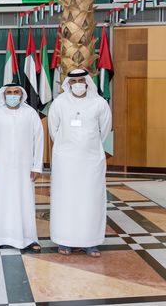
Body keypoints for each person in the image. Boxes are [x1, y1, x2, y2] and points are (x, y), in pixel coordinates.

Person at [48, 68, 112, 257]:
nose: (77, 85)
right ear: (68, 83)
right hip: (65, 162)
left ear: (87, 82)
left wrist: (88, 145)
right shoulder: (59, 103)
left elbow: (105, 129)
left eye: (81, 80)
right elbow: (54, 130)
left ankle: (90, 242)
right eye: (73, 81)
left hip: (91, 162)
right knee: (66, 200)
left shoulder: (99, 103)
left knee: (90, 200)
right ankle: (64, 241)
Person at [0, 84, 43, 251]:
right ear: (3, 95)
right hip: (0, 167)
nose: (12, 95)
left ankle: (28, 238)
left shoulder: (30, 113)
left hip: (25, 168)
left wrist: (37, 166)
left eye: (16, 92)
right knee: (0, 201)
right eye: (9, 92)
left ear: (21, 94)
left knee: (24, 201)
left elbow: (38, 140)